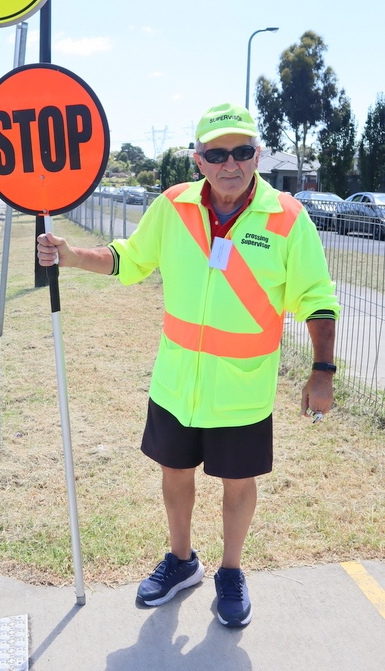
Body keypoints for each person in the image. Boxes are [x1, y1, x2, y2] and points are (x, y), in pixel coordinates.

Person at [37, 102, 339, 628]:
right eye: (217, 153)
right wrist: (70, 255)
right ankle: (182, 562)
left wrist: (322, 372)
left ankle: (230, 572)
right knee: (174, 474)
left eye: (242, 151)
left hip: (242, 390)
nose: (231, 163)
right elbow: (128, 258)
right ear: (198, 160)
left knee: (237, 484)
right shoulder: (173, 205)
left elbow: (316, 296)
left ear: (257, 156)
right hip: (176, 384)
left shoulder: (288, 218)